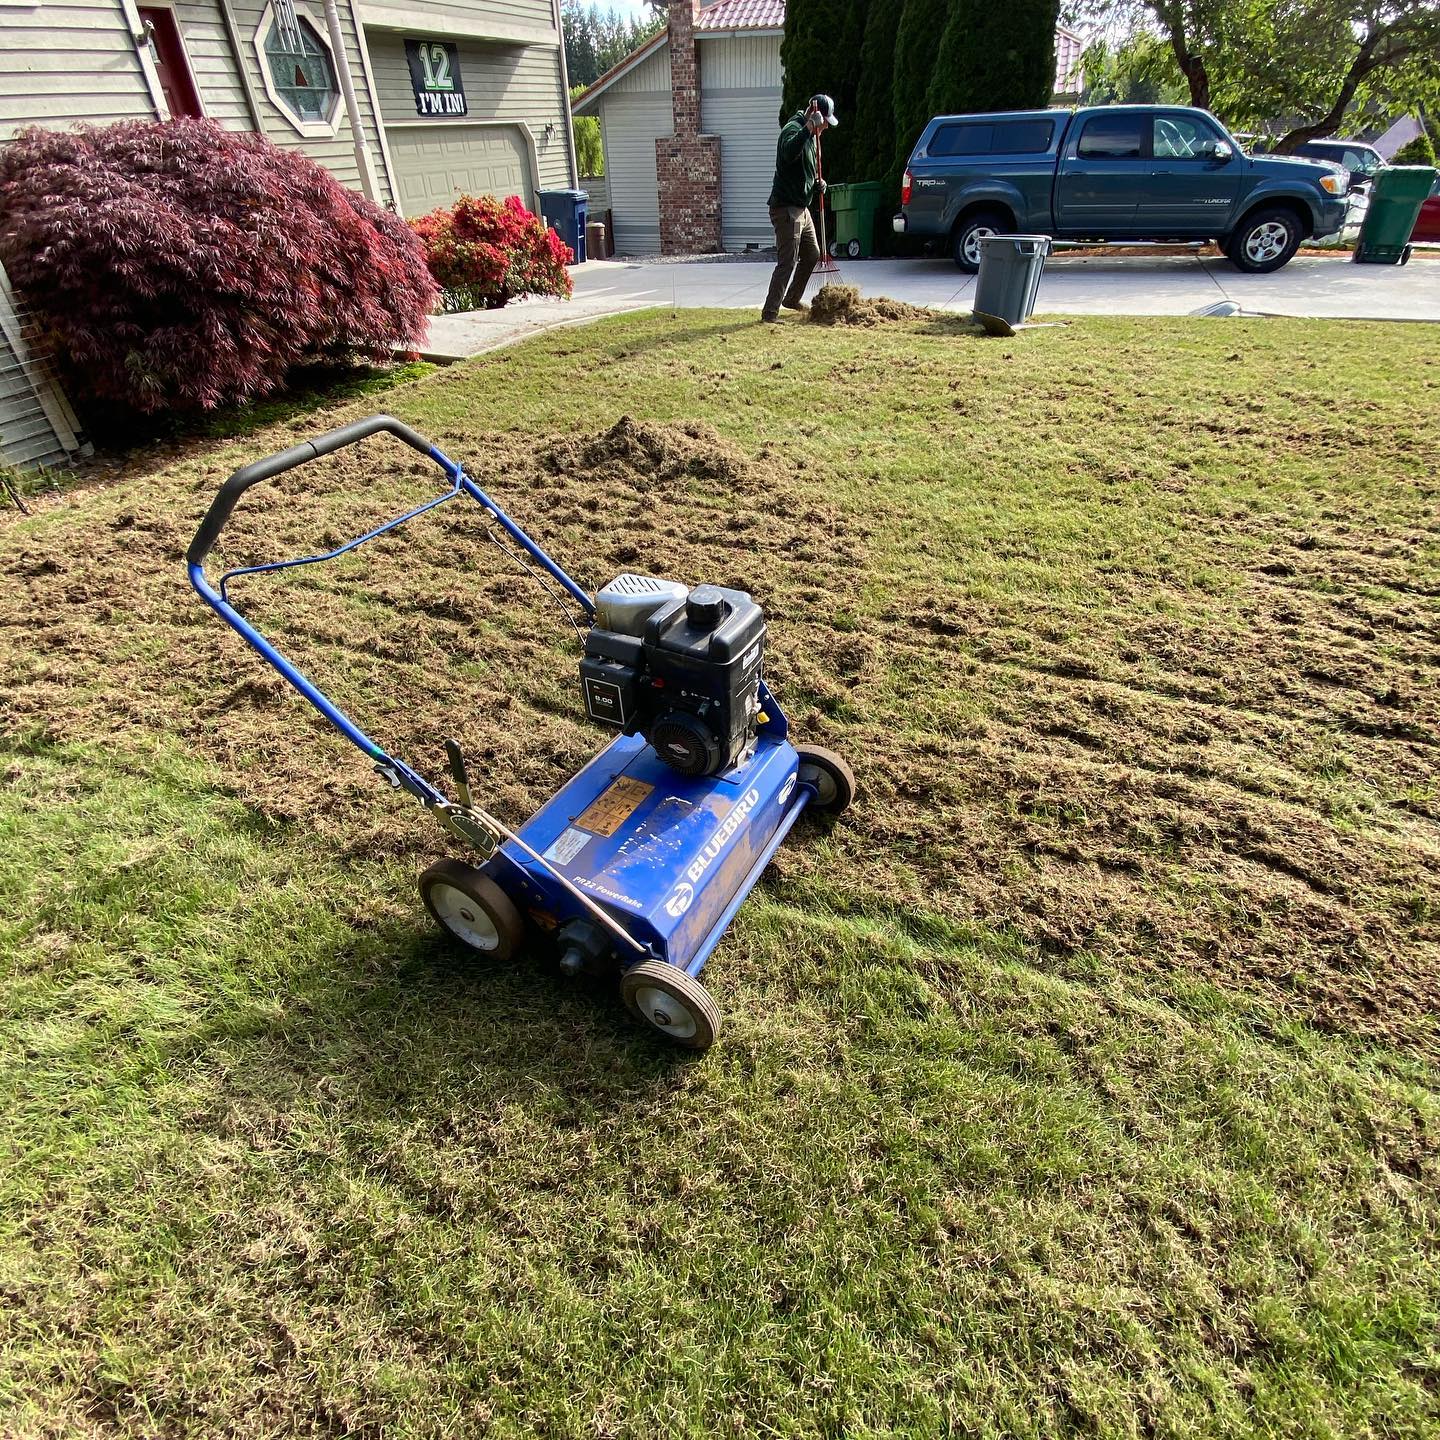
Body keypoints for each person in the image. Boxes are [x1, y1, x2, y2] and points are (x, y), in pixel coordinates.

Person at [762, 93, 838, 323]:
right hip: (786, 209)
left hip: (801, 208)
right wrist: (807, 128)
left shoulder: (814, 138)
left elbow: (805, 169)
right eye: (825, 122)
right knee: (787, 261)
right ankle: (770, 313)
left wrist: (817, 183)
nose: (825, 127)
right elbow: (787, 152)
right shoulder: (793, 129)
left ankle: (792, 299)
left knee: (812, 254)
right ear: (815, 116)